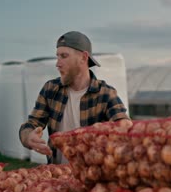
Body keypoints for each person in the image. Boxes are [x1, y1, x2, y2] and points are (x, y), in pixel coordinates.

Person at [19, 31, 130, 164]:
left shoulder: (105, 94)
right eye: (57, 56)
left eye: (64, 56)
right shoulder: (50, 89)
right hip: (57, 175)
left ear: (83, 57)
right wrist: (28, 136)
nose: (57, 63)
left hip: (92, 175)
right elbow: (32, 123)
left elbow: (124, 128)